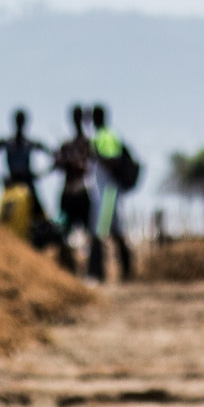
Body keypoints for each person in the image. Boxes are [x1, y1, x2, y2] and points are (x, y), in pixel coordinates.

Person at [0, 109, 51, 247]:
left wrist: (38, 175)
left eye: (21, 121)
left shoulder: (30, 144)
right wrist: (0, 178)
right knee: (5, 219)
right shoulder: (7, 143)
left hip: (28, 187)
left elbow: (54, 158)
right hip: (11, 187)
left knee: (41, 221)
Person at [87, 104, 136, 283]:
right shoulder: (105, 135)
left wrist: (95, 153)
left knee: (98, 232)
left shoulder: (105, 135)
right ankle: (127, 272)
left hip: (107, 191)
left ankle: (96, 273)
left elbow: (112, 160)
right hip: (108, 191)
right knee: (116, 232)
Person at [52, 108, 98, 274]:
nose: (76, 121)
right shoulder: (67, 145)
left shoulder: (88, 143)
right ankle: (68, 270)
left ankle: (93, 271)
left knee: (91, 234)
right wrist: (61, 160)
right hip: (67, 193)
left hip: (82, 191)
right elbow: (56, 166)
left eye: (79, 118)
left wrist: (77, 163)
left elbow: (91, 166)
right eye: (74, 118)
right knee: (62, 233)